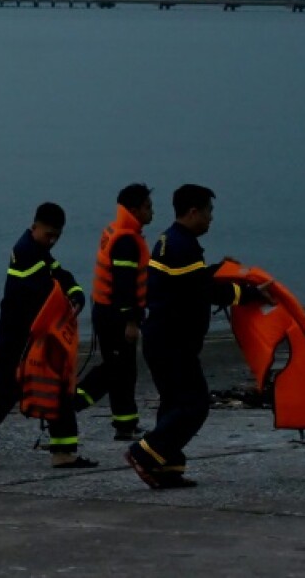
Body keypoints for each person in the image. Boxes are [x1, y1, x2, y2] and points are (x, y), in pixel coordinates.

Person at [124, 184, 264, 489]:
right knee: (194, 404)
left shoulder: (173, 241)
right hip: (172, 342)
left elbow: (192, 281)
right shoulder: (181, 245)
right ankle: (144, 453)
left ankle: (167, 467)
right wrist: (249, 293)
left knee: (174, 404)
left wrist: (220, 269)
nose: (211, 219)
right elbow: (203, 291)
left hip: (164, 339)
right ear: (193, 212)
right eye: (208, 212)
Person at [0, 203, 97, 472]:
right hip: (16, 340)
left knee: (59, 386)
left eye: (57, 236)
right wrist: (66, 298)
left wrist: (76, 294)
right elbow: (45, 290)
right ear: (34, 227)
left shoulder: (40, 251)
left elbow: (61, 276)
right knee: (4, 394)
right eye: (48, 235)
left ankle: (64, 452)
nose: (52, 241)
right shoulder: (25, 253)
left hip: (39, 337)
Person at [74, 184, 154, 441]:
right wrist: (131, 322)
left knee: (124, 370)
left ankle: (125, 424)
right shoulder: (127, 241)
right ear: (134, 210)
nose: (152, 212)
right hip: (115, 316)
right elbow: (124, 285)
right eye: (148, 207)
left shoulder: (116, 230)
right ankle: (69, 405)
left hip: (106, 311)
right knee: (114, 370)